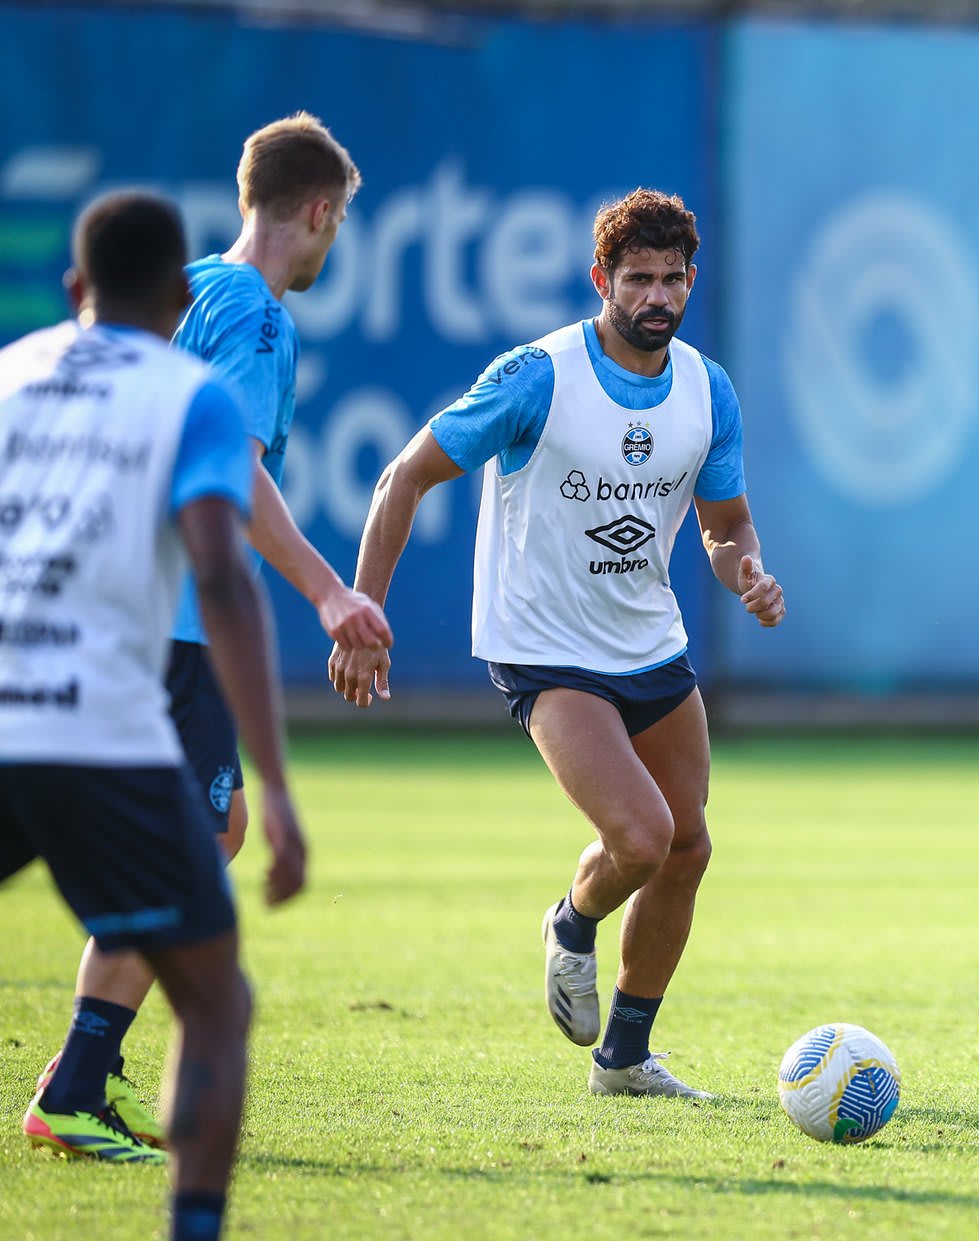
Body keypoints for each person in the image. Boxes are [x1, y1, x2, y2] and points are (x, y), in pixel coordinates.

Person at [330, 189, 783, 1097]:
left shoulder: (706, 387)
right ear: (601, 281)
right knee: (645, 837)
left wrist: (746, 572)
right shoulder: (539, 373)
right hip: (545, 649)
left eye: (673, 279)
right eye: (638, 279)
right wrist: (363, 611)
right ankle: (572, 924)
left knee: (688, 846)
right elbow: (403, 475)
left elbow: (725, 524)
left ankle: (624, 1059)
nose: (658, 296)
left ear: (692, 280)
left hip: (649, 643)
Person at [22, 114, 389, 1160]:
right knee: (195, 842)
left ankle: (88, 1069)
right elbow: (233, 473)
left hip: (104, 613)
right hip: (178, 629)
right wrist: (329, 591)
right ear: (317, 211)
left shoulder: (183, 289)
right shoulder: (260, 318)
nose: (332, 243)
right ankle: (78, 1087)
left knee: (195, 838)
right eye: (338, 222)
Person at [0, 190, 322, 1241]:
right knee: (216, 999)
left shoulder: (10, 370)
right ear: (180, 301)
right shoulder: (188, 391)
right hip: (91, 727)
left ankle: (81, 1084)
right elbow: (223, 578)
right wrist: (277, 786)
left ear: (75, 291)